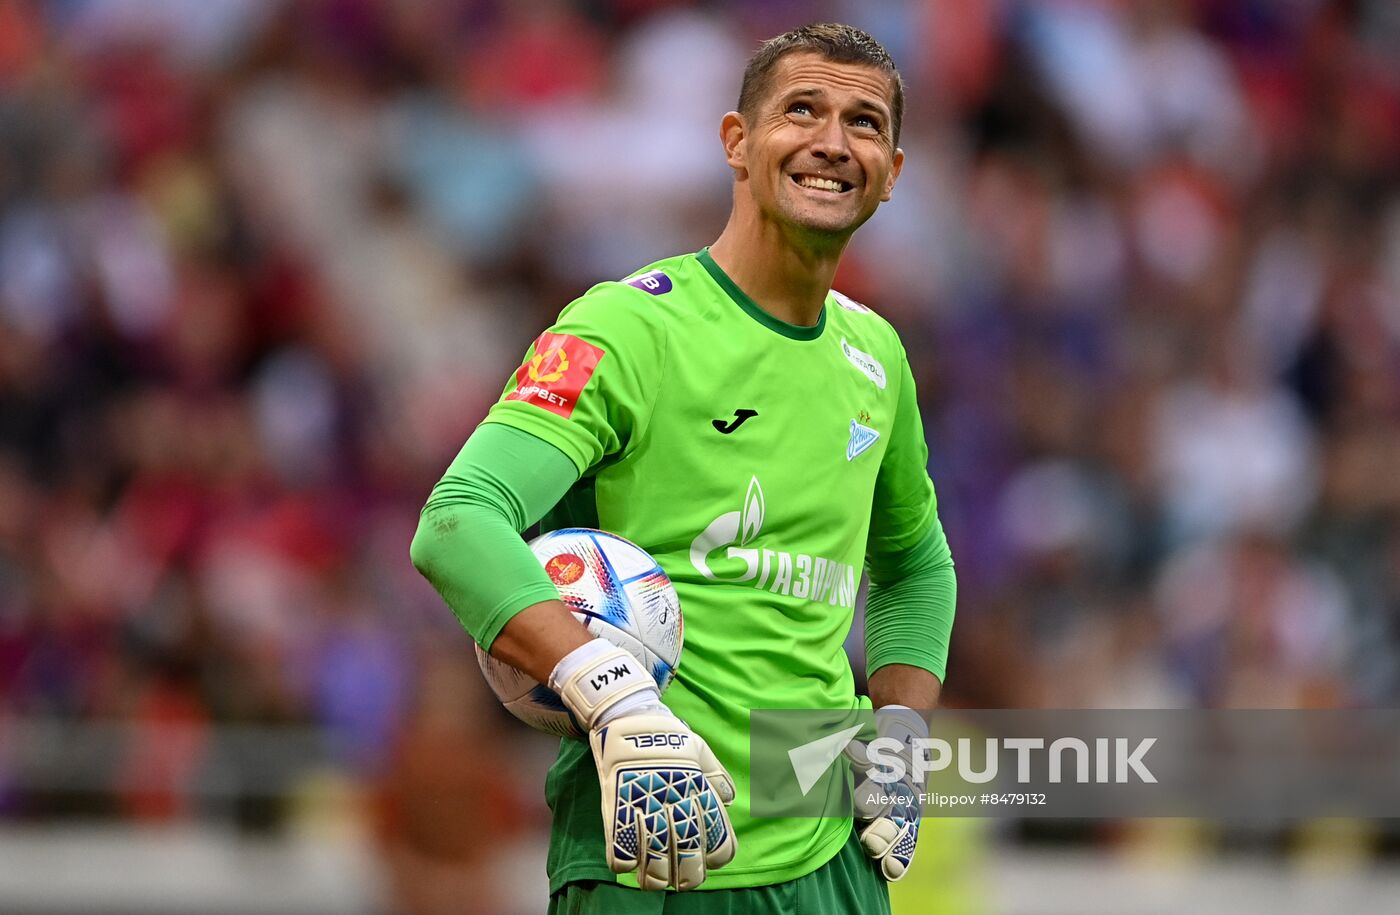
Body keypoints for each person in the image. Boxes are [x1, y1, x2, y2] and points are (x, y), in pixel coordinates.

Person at [411, 22, 956, 915]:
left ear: (892, 172)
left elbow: (916, 562)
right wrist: (611, 696)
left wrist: (898, 727)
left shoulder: (875, 356)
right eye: (802, 111)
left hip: (831, 855)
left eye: (864, 123)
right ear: (737, 143)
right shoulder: (629, 328)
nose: (832, 142)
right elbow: (460, 519)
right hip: (653, 841)